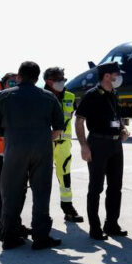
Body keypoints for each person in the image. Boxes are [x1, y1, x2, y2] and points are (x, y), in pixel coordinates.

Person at [0, 61, 65, 250]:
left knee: (11, 193)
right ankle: (41, 236)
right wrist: (43, 140)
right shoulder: (48, 97)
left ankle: (10, 236)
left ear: (19, 76)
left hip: (14, 150)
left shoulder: (3, 97)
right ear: (38, 78)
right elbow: (58, 129)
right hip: (42, 149)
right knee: (41, 193)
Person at [75, 62, 128, 241]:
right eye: (116, 74)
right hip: (97, 144)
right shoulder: (91, 95)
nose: (118, 77)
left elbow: (116, 117)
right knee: (96, 187)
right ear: (107, 76)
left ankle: (111, 224)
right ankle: (95, 228)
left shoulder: (114, 93)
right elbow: (79, 121)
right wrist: (83, 145)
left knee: (115, 187)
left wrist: (122, 129)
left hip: (115, 145)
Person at [0, 72, 26, 234]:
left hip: (15, 153)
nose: (13, 85)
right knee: (4, 192)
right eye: (10, 83)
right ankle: (4, 227)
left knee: (18, 192)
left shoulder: (15, 102)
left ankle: (14, 224)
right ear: (2, 85)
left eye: (16, 82)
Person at [43, 66, 83, 222]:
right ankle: (42, 212)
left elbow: (72, 115)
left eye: (63, 78)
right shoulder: (41, 96)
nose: (62, 81)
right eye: (58, 79)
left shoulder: (70, 96)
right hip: (44, 143)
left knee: (65, 176)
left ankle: (68, 208)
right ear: (48, 81)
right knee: (41, 178)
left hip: (63, 143)